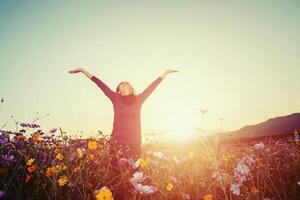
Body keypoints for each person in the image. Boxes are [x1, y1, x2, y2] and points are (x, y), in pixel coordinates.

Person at [68, 67, 178, 199]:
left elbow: (152, 86)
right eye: (121, 85)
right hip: (117, 144)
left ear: (131, 88)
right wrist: (82, 70)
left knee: (134, 177)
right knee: (117, 177)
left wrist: (165, 73)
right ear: (118, 91)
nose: (123, 85)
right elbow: (100, 84)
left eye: (126, 84)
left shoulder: (139, 99)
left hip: (134, 144)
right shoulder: (115, 99)